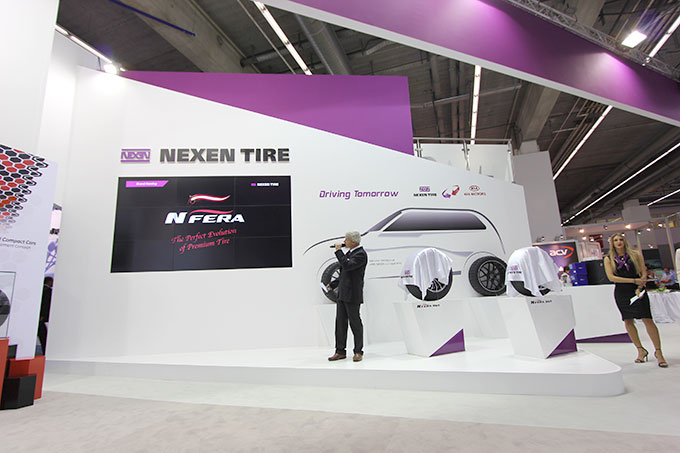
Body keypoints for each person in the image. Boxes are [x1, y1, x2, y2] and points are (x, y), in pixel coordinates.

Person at [604, 234, 668, 367]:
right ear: (612, 243)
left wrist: (639, 286)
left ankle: (658, 352)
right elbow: (611, 277)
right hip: (622, 292)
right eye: (616, 240)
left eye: (621, 239)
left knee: (647, 319)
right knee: (628, 320)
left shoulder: (635, 255)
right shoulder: (609, 259)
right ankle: (640, 350)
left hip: (638, 290)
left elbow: (643, 273)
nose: (619, 242)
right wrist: (633, 280)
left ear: (625, 241)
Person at [327, 231, 368, 363]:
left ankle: (358, 351)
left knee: (355, 323)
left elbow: (348, 266)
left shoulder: (361, 254)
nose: (344, 241)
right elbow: (344, 273)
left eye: (346, 239)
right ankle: (340, 351)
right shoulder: (349, 254)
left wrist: (338, 251)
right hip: (342, 294)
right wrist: (333, 284)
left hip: (353, 294)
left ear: (354, 242)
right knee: (340, 323)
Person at [38, 276, 53, 355]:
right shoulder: (47, 291)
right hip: (41, 317)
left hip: (40, 316)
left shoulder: (40, 289)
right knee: (43, 335)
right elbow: (45, 304)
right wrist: (43, 315)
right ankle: (46, 352)